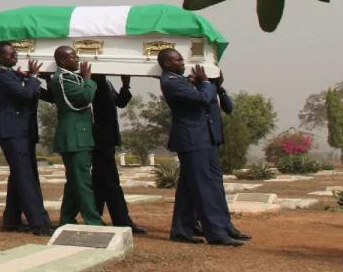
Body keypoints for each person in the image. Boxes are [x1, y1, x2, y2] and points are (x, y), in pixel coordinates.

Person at [159, 49, 247, 246]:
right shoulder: (170, 82)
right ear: (166, 64)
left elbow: (215, 103)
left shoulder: (184, 81)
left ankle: (186, 229)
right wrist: (206, 82)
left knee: (197, 186)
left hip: (204, 139)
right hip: (192, 141)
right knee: (204, 186)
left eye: (183, 58)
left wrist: (213, 84)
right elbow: (202, 99)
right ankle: (216, 233)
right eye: (178, 59)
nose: (183, 62)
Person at [0, 42, 54, 236]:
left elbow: (50, 97)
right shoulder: (2, 75)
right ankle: (38, 222)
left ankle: (11, 220)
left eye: (15, 53)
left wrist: (46, 78)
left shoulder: (17, 76)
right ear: (0, 57)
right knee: (26, 177)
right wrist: (33, 78)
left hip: (24, 133)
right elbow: (25, 93)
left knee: (21, 175)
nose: (15, 57)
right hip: (12, 133)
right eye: (10, 55)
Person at [47, 46, 103, 226]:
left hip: (79, 136)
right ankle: (93, 220)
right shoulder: (62, 78)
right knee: (82, 181)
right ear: (62, 61)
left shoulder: (70, 77)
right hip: (74, 137)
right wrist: (88, 79)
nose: (78, 59)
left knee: (74, 181)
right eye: (73, 56)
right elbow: (84, 98)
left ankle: (66, 219)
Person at [90, 73, 146, 234]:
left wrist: (125, 85)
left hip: (108, 139)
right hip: (99, 141)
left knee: (100, 182)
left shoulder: (105, 82)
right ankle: (121, 220)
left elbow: (120, 102)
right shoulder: (91, 83)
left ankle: (95, 217)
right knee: (110, 182)